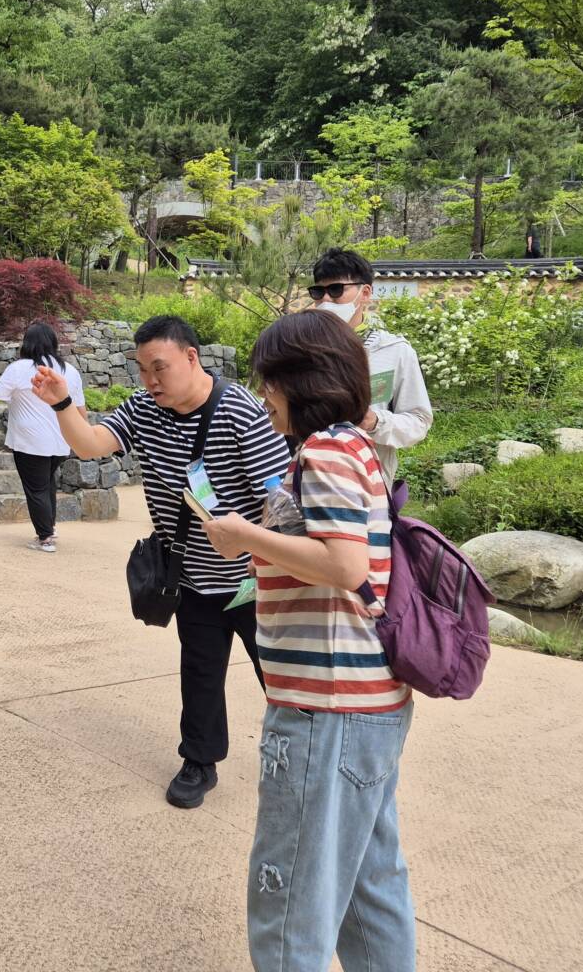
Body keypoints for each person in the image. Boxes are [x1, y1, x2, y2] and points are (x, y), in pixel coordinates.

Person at [204, 309, 415, 972]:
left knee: (290, 897)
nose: (264, 394)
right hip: (369, 703)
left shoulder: (322, 451)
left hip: (326, 709)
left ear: (303, 381)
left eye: (270, 380)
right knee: (369, 888)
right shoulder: (355, 448)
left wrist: (243, 536)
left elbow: (345, 566)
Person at [29, 314, 291, 809]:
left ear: (191, 358)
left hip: (254, 580)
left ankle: (307, 759)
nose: (150, 381)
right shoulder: (145, 409)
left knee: (281, 674)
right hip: (190, 574)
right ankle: (199, 761)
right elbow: (89, 445)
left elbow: (278, 500)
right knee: (199, 671)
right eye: (142, 370)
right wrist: (61, 403)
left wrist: (256, 546)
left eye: (160, 368)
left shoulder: (240, 410)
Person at [306, 248, 433, 487]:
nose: (325, 300)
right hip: (309, 479)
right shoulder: (301, 348)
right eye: (318, 292)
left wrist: (374, 422)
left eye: (336, 290)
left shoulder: (394, 351)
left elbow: (419, 421)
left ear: (365, 293)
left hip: (368, 484)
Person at [0, 322, 86, 553]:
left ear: (27, 344)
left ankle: (45, 537)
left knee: (36, 489)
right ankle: (49, 528)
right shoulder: (69, 371)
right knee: (47, 484)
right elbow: (81, 407)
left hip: (29, 441)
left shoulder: (19, 368)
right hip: (61, 440)